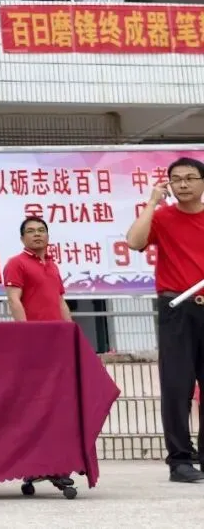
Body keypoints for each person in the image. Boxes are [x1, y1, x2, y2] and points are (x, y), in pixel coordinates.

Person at [127, 157, 204, 483]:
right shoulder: (162, 217)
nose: (183, 184)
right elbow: (134, 242)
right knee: (176, 385)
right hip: (177, 306)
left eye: (190, 178)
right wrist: (152, 203)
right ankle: (180, 460)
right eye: (176, 179)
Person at [3, 217, 72, 324]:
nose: (37, 234)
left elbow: (60, 301)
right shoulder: (16, 263)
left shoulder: (53, 265)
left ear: (48, 237)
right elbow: (13, 300)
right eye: (30, 231)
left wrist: (70, 329)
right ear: (22, 239)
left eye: (41, 230)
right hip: (34, 331)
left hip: (58, 331)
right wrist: (26, 330)